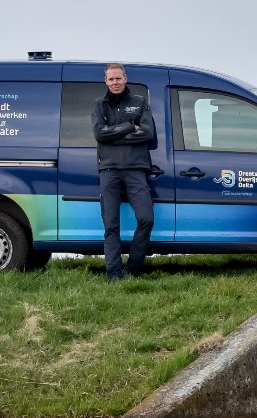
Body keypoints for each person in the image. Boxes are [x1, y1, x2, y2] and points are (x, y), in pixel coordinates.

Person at [93, 63, 156, 281]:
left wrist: (113, 134)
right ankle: (114, 275)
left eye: (118, 78)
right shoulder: (99, 105)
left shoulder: (139, 102)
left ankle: (134, 268)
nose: (115, 83)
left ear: (125, 78)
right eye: (111, 79)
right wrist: (130, 126)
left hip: (135, 170)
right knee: (111, 225)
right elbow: (99, 135)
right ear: (106, 81)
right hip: (108, 171)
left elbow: (147, 133)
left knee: (146, 219)